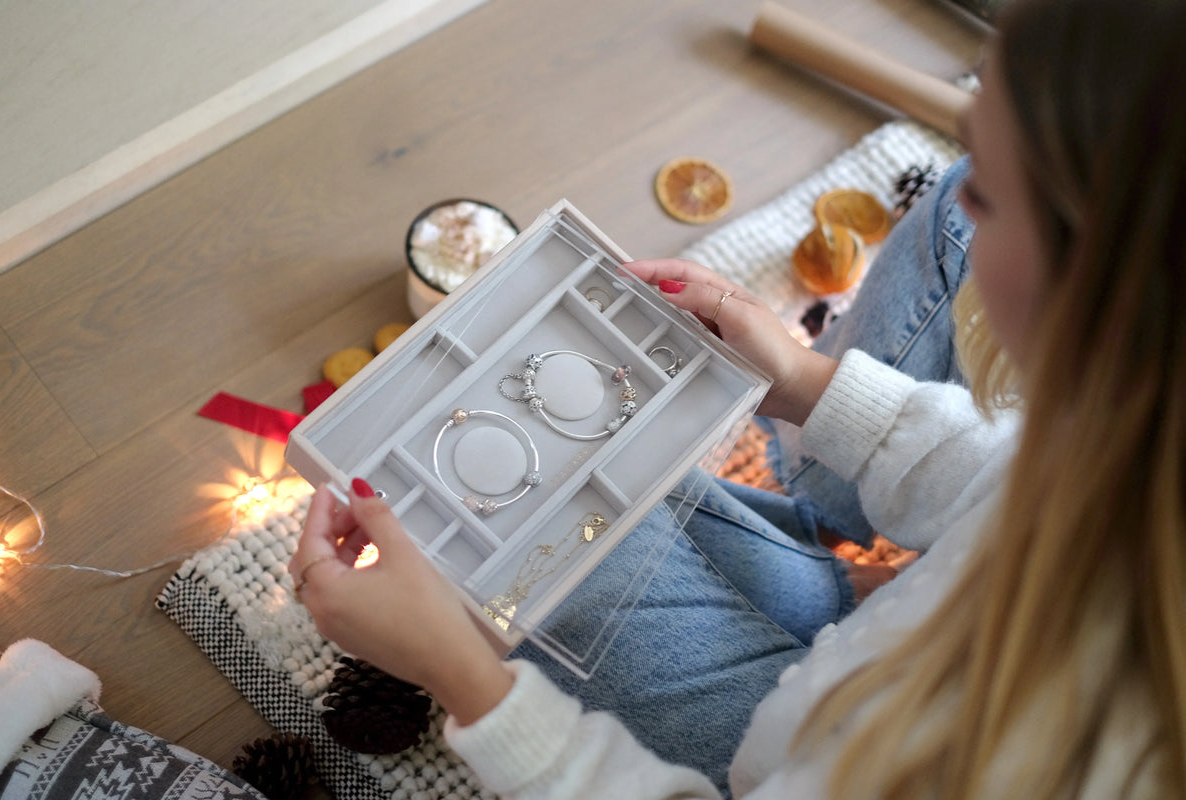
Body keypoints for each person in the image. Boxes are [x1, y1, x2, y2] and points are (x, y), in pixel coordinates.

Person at [290, 0, 1186, 794]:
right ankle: (827, 561)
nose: (976, 200)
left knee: (535, 535)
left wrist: (465, 682)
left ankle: (816, 567)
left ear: (1107, 282)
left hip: (791, 758)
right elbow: (1020, 474)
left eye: (1003, 197)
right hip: (911, 631)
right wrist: (805, 384)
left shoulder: (1047, 753)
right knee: (947, 206)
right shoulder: (1142, 432)